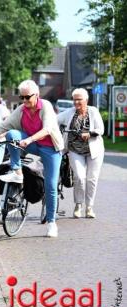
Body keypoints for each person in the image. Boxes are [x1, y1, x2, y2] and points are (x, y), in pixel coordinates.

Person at [0, 80, 64, 238]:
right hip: (32, 143)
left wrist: (29, 140)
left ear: (36, 95)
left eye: (27, 97)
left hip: (50, 148)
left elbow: (47, 129)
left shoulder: (45, 106)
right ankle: (17, 171)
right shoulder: (21, 110)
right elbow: (2, 126)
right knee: (12, 135)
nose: (25, 101)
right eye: (22, 97)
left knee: (51, 185)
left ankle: (52, 222)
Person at [57, 88, 104, 219]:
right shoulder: (69, 113)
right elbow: (55, 120)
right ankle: (78, 205)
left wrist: (89, 133)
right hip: (74, 149)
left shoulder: (93, 111)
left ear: (86, 100)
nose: (76, 102)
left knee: (92, 179)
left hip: (94, 150)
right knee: (79, 177)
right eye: (75, 99)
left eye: (79, 99)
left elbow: (101, 129)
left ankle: (89, 207)